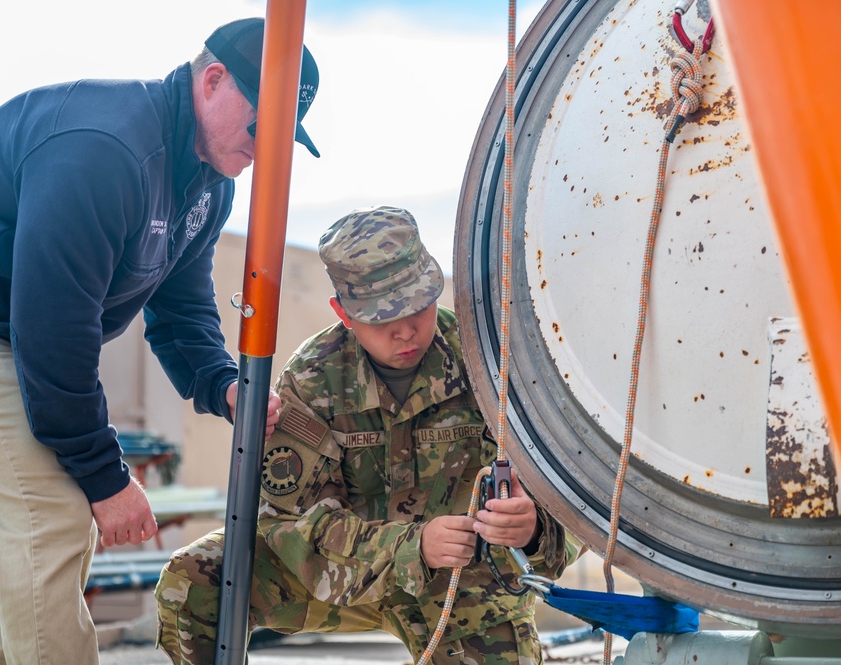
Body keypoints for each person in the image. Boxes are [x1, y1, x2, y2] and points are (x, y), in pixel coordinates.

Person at [0, 17, 318, 665]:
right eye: (262, 127)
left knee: (50, 530)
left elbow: (181, 302)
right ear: (212, 81)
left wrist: (220, 382)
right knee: (52, 520)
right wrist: (106, 475)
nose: (267, 150)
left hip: (13, 332)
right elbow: (54, 328)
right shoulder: (103, 151)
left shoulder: (208, 183)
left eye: (284, 139)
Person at [155, 206, 581, 665]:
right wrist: (410, 547)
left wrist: (533, 529)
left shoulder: (491, 364)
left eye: (417, 307)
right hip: (342, 574)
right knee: (195, 580)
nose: (405, 331)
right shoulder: (313, 378)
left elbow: (576, 501)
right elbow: (288, 527)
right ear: (343, 313)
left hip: (461, 578)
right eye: (381, 318)